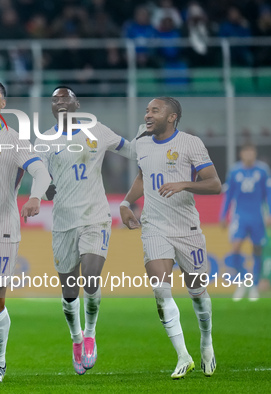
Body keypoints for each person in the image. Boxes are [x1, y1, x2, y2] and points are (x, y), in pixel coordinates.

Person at [120, 97, 221, 379]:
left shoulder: (190, 143)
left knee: (198, 294)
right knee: (161, 290)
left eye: (155, 110)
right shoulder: (141, 142)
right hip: (154, 226)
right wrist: (126, 203)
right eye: (147, 110)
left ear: (172, 117)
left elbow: (215, 184)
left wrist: (184, 184)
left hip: (187, 228)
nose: (148, 114)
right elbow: (142, 175)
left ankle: (206, 342)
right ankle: (183, 356)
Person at [39, 86, 135, 375]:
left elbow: (129, 149)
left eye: (66, 98)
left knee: (91, 277)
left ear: (77, 104)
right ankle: (77, 338)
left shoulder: (97, 131)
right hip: (64, 221)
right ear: (52, 107)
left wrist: (154, 152)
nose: (61, 103)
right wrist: (45, 190)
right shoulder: (45, 141)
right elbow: (40, 179)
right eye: (56, 99)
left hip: (95, 216)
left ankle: (91, 333)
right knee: (70, 291)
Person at [0, 79, 50, 382]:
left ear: (3, 104)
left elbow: (40, 171)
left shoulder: (13, 140)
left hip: (2, 230)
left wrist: (35, 196)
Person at [219, 144, 271, 301]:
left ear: (255, 153)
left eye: (251, 152)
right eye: (246, 152)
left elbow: (268, 193)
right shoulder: (235, 171)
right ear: (241, 154)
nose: (249, 155)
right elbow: (229, 195)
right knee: (235, 248)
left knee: (257, 250)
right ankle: (242, 282)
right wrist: (223, 215)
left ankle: (254, 286)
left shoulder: (262, 171)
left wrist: (269, 213)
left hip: (257, 216)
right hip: (240, 216)